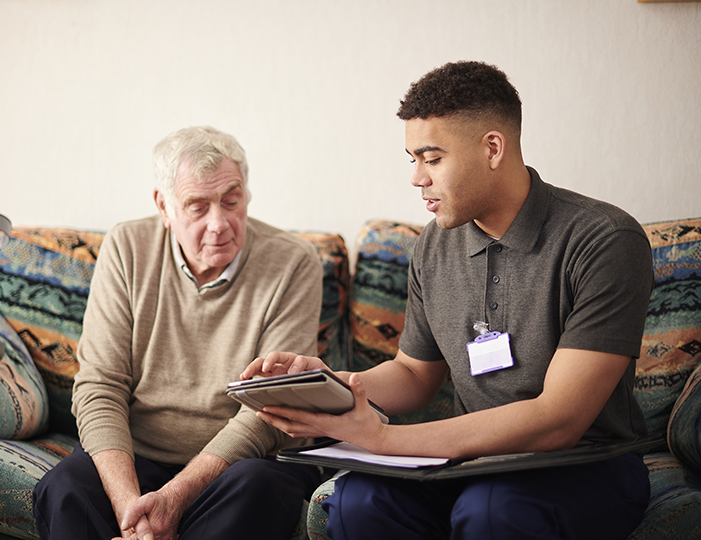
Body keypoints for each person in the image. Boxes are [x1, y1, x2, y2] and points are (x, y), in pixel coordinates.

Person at [241, 61, 654, 540]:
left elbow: (557, 420)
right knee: (360, 500)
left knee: (492, 510)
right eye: (411, 159)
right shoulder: (435, 244)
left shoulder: (604, 240)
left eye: (432, 158)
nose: (417, 178)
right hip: (472, 462)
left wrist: (385, 439)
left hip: (587, 463)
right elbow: (414, 374)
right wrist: (328, 386)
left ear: (492, 148)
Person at [32, 126, 325, 540]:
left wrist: (176, 497)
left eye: (231, 200)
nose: (219, 224)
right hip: (138, 458)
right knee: (63, 489)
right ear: (164, 207)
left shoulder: (293, 263)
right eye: (197, 207)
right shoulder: (127, 247)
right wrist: (132, 510)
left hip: (236, 466)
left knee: (261, 488)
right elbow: (100, 385)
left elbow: (269, 409)